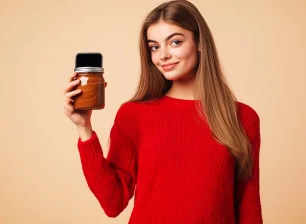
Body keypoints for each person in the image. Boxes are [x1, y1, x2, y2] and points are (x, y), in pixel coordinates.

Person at [63, 0, 262, 223]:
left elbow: (249, 209)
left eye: (175, 42)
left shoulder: (243, 118)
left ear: (199, 42)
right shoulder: (134, 115)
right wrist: (84, 127)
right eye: (154, 47)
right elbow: (113, 202)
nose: (163, 55)